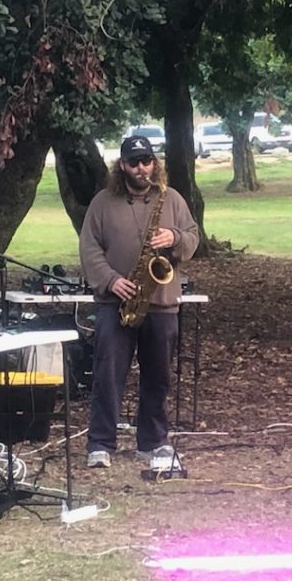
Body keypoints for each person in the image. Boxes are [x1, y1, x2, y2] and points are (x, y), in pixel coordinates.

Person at [79, 135, 199, 468]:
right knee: (107, 375)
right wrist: (111, 280)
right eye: (133, 162)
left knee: (158, 376)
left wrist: (175, 237)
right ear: (122, 166)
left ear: (154, 163)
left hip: (161, 302)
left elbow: (193, 237)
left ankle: (154, 442)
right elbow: (89, 249)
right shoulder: (102, 202)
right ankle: (100, 444)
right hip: (114, 303)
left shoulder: (171, 199)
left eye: (146, 161)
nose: (141, 168)